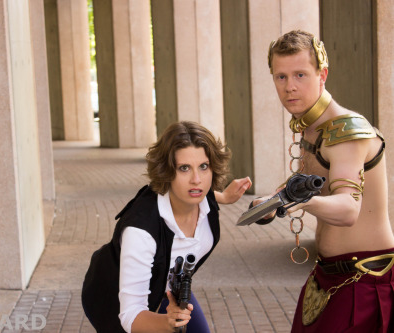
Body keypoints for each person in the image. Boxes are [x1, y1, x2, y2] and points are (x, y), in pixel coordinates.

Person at [264, 30, 394, 332]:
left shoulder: (345, 133)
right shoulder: (312, 126)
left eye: (300, 74)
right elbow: (312, 184)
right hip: (329, 277)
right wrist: (274, 201)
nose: (289, 87)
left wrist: (298, 201)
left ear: (322, 74)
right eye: (280, 77)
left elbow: (349, 209)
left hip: (364, 282)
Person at [81, 121, 252, 333]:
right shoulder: (141, 231)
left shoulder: (200, 196)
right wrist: (166, 323)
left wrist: (224, 197)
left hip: (166, 289)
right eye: (184, 168)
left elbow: (203, 191)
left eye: (204, 166)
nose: (196, 180)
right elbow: (131, 315)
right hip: (115, 300)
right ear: (167, 171)